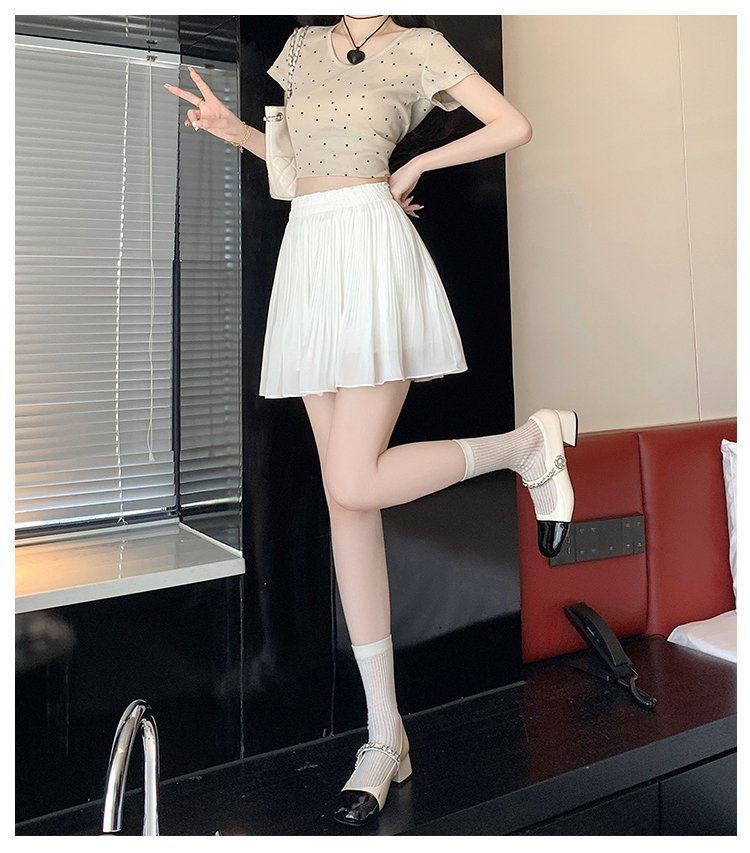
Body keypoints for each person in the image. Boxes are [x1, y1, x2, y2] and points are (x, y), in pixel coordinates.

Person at [166, 13, 578, 827]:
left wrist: (417, 160)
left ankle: (527, 446)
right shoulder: (300, 48)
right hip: (308, 256)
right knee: (345, 502)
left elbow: (512, 125)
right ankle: (385, 731)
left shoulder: (419, 47)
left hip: (373, 250)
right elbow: (295, 171)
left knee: (354, 481)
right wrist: (233, 130)